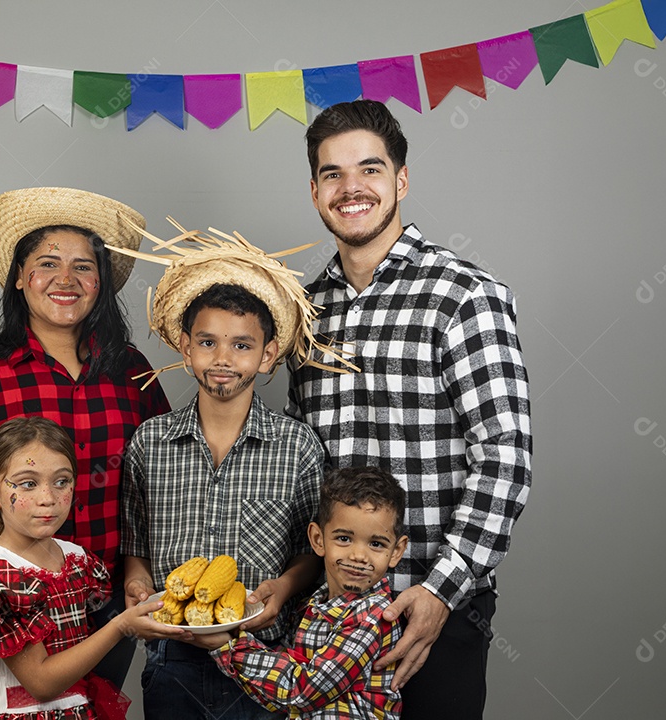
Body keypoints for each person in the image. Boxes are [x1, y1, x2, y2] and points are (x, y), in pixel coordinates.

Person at [288, 100, 532, 719]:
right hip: (329, 609)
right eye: (333, 174)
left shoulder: (464, 295)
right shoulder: (303, 313)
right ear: (314, 191)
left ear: (400, 180)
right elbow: (300, 463)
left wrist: (442, 592)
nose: (352, 189)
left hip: (432, 601)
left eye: (369, 170)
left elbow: (505, 458)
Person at [0, 187, 172, 720]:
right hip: (9, 605)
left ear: (102, 282)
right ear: (20, 277)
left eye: (83, 267)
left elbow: (157, 486)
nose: (65, 280)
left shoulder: (132, 372)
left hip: (106, 602)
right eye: (47, 264)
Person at [115, 223, 353, 720]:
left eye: (242, 346)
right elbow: (134, 545)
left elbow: (312, 551)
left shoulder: (297, 446)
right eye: (208, 342)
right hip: (172, 657)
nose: (223, 359)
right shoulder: (150, 444)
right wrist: (137, 588)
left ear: (268, 355)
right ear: (185, 347)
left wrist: (284, 588)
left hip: (266, 657)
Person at [0, 416, 188, 720]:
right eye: (28, 483)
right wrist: (122, 626)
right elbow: (41, 683)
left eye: (61, 481)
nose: (48, 498)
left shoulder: (77, 559)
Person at [197, 466, 409, 719]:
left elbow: (303, 692)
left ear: (396, 551)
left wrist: (232, 647)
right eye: (343, 538)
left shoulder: (372, 617)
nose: (358, 556)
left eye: (376, 544)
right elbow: (279, 697)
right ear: (318, 539)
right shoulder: (310, 607)